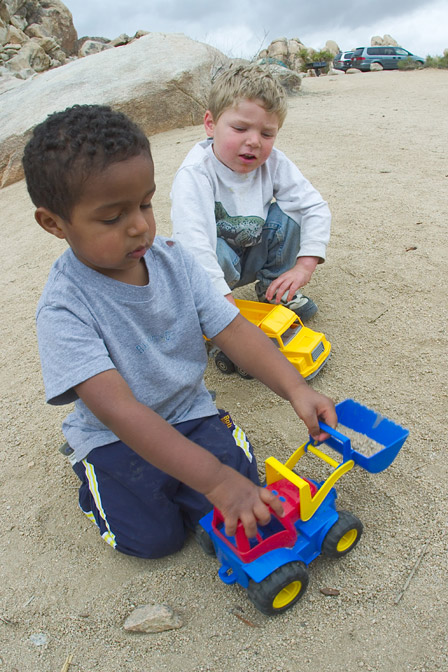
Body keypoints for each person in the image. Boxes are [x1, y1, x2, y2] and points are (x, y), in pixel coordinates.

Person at [23, 104, 337, 560]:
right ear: (54, 222)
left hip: (189, 411)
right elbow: (122, 413)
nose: (139, 225)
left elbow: (233, 330)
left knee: (246, 495)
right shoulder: (63, 309)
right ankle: (91, 476)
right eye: (112, 218)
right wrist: (213, 481)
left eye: (145, 203)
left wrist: (295, 387)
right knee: (155, 540)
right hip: (115, 436)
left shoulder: (174, 260)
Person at [170, 63, 331, 322]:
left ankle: (274, 290)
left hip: (251, 250)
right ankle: (206, 306)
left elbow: (313, 207)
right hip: (214, 263)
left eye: (267, 133)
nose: (254, 141)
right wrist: (225, 309)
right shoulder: (195, 173)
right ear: (211, 124)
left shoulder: (274, 163)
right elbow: (194, 244)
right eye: (241, 129)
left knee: (291, 213)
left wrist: (305, 265)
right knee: (212, 249)